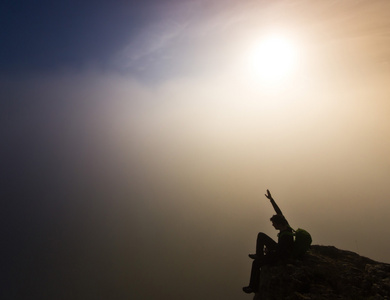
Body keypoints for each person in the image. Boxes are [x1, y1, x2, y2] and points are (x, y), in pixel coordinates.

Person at [242, 190, 294, 294]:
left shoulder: (285, 237)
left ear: (278, 224)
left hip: (282, 256)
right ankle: (259, 254)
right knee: (261, 235)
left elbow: (280, 253)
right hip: (280, 249)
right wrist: (271, 200)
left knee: (256, 263)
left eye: (274, 223)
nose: (273, 225)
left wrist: (268, 252)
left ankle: (253, 287)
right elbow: (279, 212)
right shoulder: (286, 226)